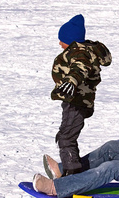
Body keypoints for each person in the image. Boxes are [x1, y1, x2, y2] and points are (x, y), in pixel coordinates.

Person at [47, 14, 112, 177]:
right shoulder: (85, 49)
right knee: (67, 133)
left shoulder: (78, 52)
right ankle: (71, 166)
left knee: (66, 137)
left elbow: (80, 67)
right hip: (78, 99)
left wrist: (72, 80)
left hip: (76, 100)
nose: (59, 43)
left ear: (70, 40)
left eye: (61, 40)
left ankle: (73, 175)